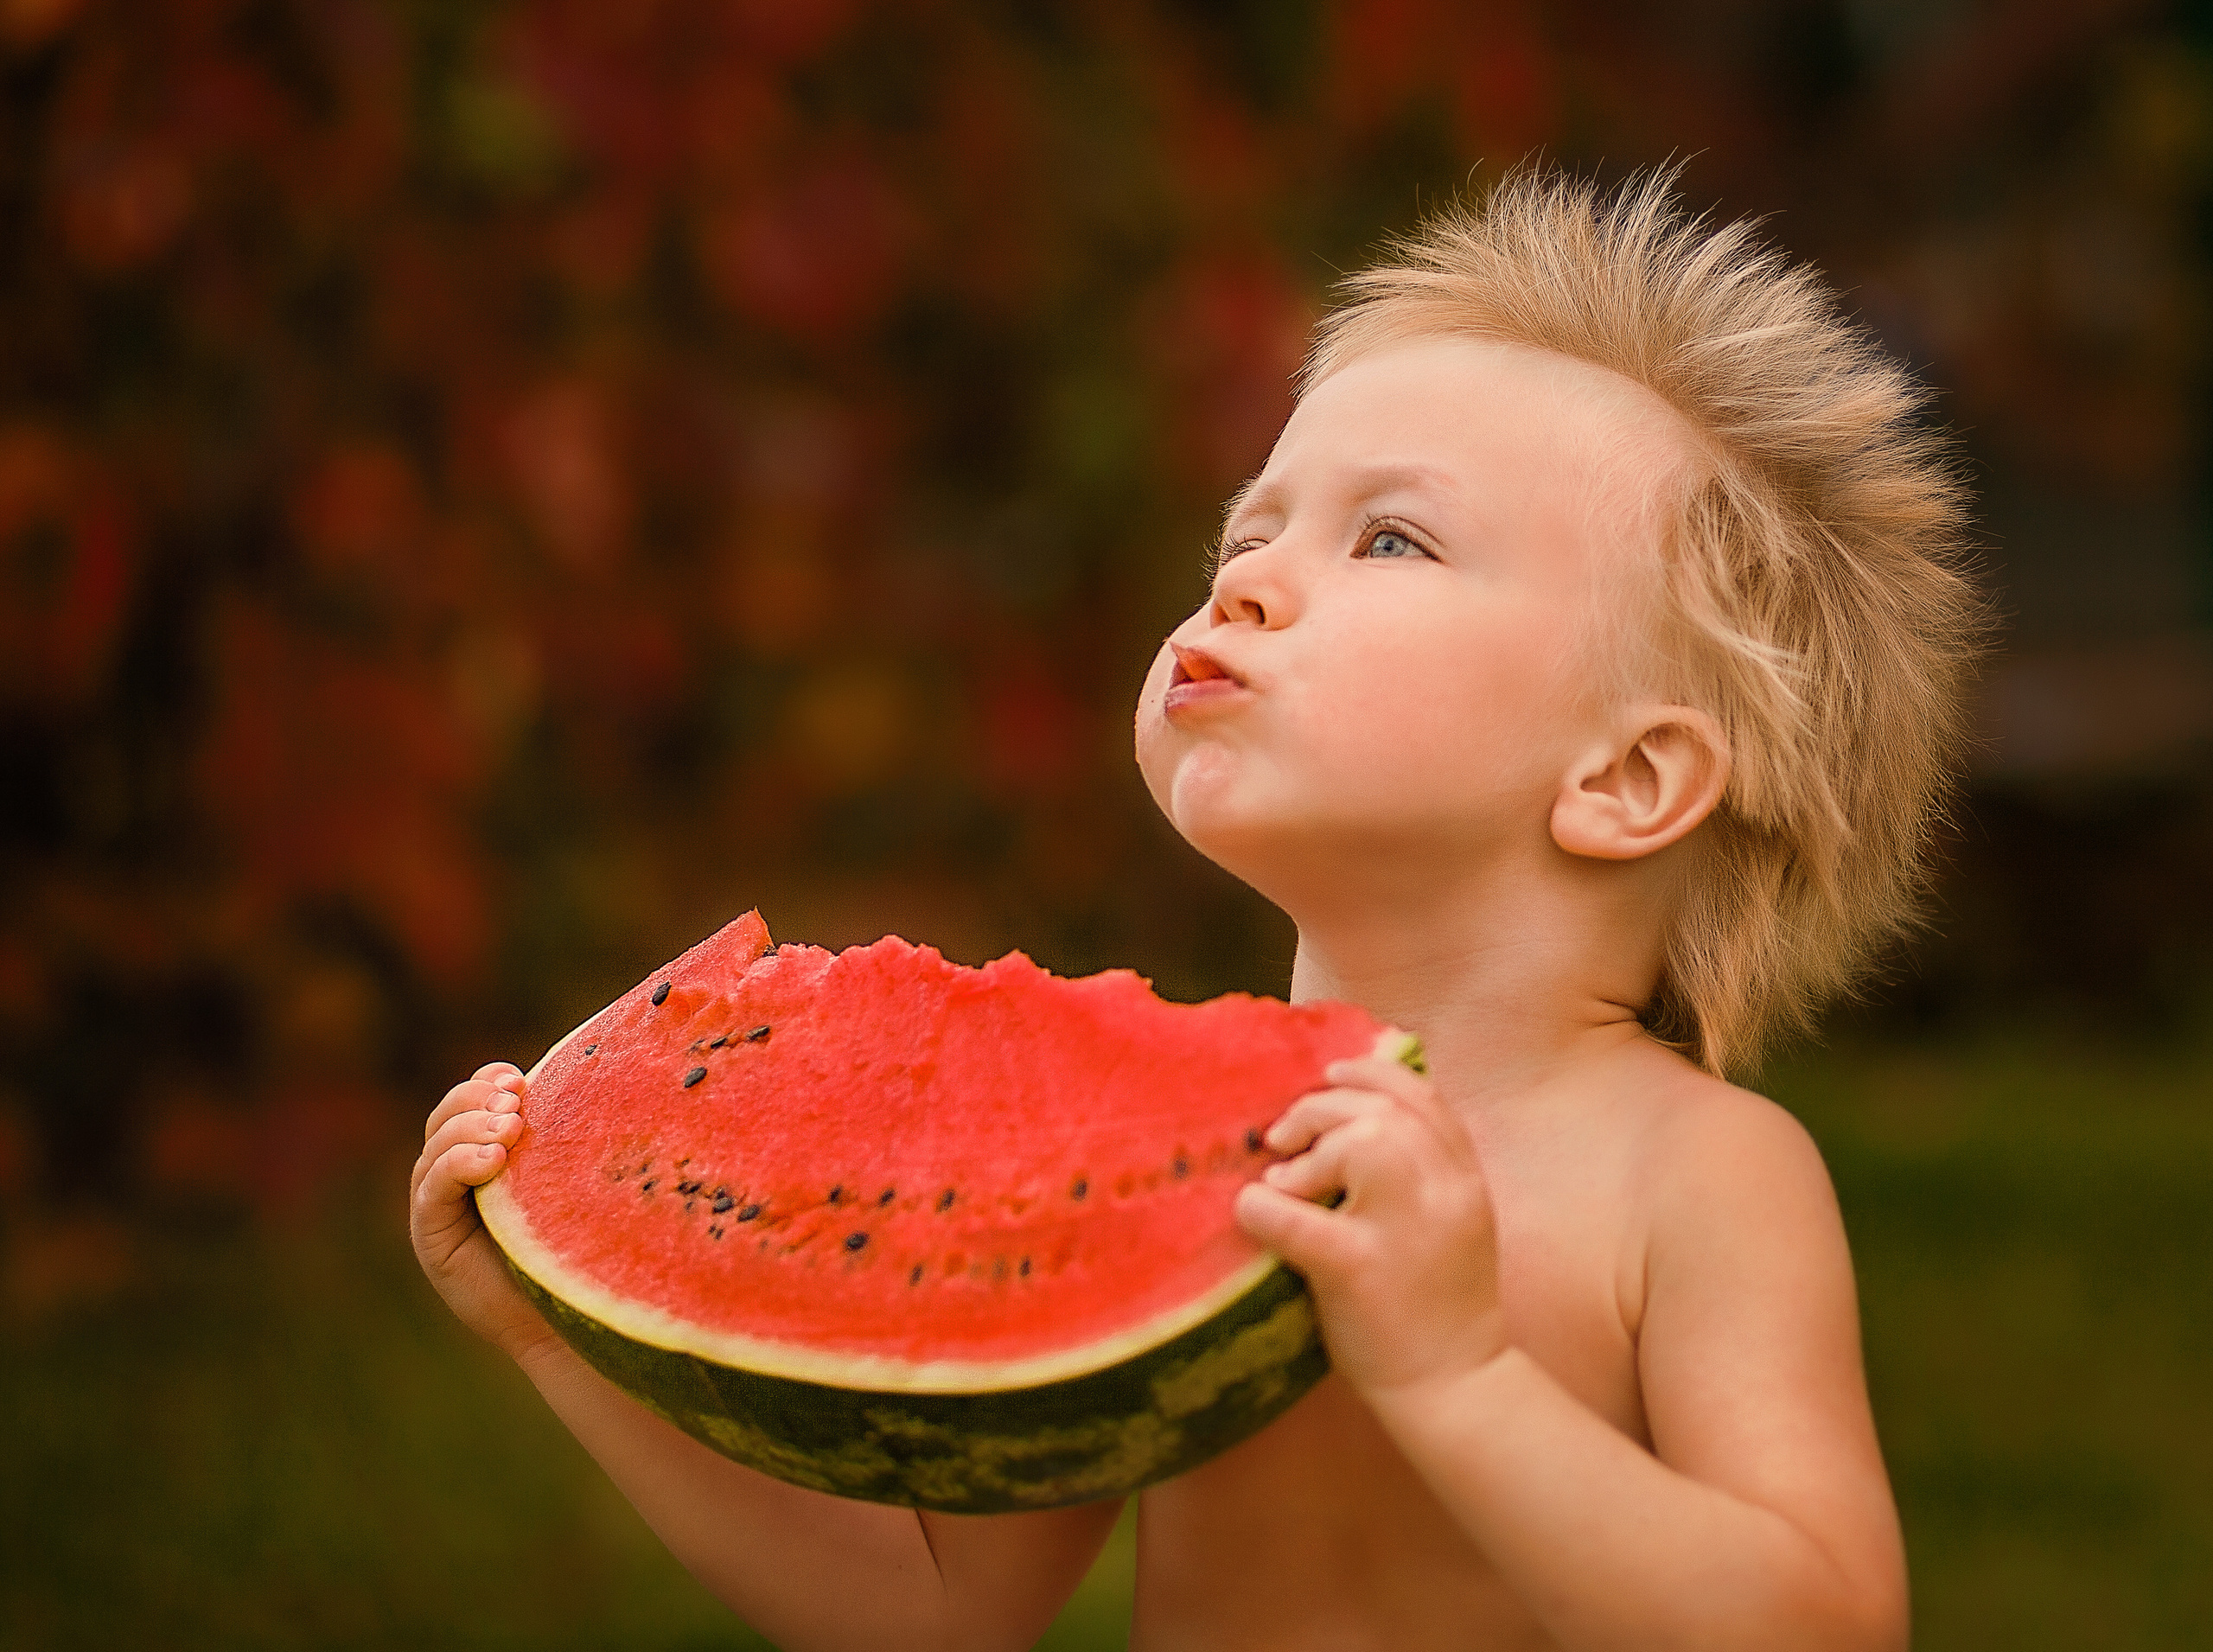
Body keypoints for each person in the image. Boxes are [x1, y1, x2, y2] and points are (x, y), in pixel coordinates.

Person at [411, 166, 1979, 1650]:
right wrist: (561, 1337)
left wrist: (1461, 1373)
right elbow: (940, 1615)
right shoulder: (1139, 1156)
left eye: (1389, 538)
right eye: (1248, 530)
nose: (1245, 584)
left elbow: (1824, 1620)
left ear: (1628, 779)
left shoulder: (1692, 1173)